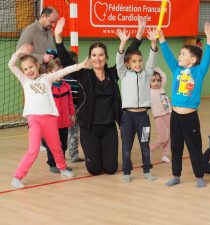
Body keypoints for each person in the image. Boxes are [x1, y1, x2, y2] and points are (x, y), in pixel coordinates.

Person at [54, 17, 146, 175]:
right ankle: (96, 155)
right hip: (89, 128)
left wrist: (138, 34)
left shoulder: (112, 73)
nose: (97, 58)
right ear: (90, 57)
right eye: (94, 55)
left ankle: (105, 154)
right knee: (94, 170)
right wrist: (58, 36)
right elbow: (65, 59)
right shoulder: (84, 75)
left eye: (101, 55)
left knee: (111, 169)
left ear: (106, 57)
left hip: (109, 127)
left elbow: (128, 57)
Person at [8, 44, 89, 188]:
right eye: (25, 69)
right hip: (34, 120)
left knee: (56, 146)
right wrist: (19, 53)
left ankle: (62, 168)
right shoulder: (25, 80)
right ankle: (18, 177)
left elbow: (64, 70)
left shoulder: (47, 78)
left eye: (31, 67)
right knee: (33, 150)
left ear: (37, 65)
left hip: (50, 119)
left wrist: (80, 65)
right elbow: (11, 64)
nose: (29, 71)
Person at [158, 22, 210, 188]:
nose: (179, 56)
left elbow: (208, 57)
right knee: (176, 148)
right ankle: (176, 175)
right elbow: (168, 55)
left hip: (190, 117)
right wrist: (162, 39)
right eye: (180, 54)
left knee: (194, 148)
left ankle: (199, 177)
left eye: (183, 54)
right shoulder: (176, 69)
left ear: (193, 59)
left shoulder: (199, 71)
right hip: (175, 116)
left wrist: (209, 39)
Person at [116, 28, 158, 183]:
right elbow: (119, 60)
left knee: (145, 145)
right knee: (126, 147)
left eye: (140, 60)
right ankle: (126, 172)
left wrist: (153, 43)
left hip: (143, 118)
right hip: (128, 118)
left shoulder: (147, 73)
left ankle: (147, 170)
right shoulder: (123, 74)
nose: (138, 63)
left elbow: (152, 60)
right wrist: (122, 44)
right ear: (127, 63)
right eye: (134, 61)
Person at [42, 59, 75, 173]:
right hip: (52, 123)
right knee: (52, 145)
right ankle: (52, 164)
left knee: (63, 144)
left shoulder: (67, 86)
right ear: (49, 72)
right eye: (56, 71)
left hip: (64, 121)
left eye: (61, 71)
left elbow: (70, 102)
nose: (59, 74)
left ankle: (62, 163)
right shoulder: (47, 88)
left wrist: (72, 114)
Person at [149, 67, 171, 163]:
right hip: (159, 116)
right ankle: (150, 149)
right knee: (163, 137)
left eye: (158, 80)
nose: (156, 82)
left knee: (169, 136)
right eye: (153, 81)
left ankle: (165, 155)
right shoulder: (149, 91)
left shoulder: (161, 87)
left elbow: (164, 76)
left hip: (168, 114)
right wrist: (150, 69)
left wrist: (156, 68)